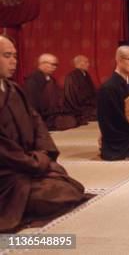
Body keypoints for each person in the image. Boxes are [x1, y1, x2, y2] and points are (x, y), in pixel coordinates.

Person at [0, 36, 88, 232]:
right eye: (7, 56)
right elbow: (4, 149)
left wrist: (44, 155)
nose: (13, 61)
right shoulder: (30, 82)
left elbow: (36, 121)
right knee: (62, 192)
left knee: (69, 184)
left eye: (15, 56)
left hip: (27, 163)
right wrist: (36, 163)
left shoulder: (13, 88)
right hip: (7, 174)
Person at [24, 54, 79, 131]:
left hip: (53, 114)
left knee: (74, 117)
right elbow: (32, 102)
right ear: (43, 64)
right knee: (69, 121)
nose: (55, 67)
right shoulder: (32, 80)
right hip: (42, 116)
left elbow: (57, 98)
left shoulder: (51, 79)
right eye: (53, 64)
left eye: (56, 65)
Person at [63, 55, 97, 124]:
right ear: (79, 63)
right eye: (86, 62)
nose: (88, 64)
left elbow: (92, 92)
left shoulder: (86, 74)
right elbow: (73, 96)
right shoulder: (72, 76)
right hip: (79, 107)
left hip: (89, 105)